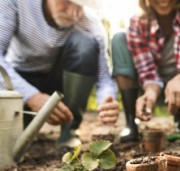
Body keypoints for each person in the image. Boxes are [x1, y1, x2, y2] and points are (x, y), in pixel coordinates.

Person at [0, 0, 119, 149]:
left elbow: (104, 78)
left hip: (60, 83)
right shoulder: (16, 3)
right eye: (68, 2)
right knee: (9, 141)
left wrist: (106, 99)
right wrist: (31, 96)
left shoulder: (91, 23)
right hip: (21, 80)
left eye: (80, 6)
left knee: (85, 43)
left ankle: (69, 132)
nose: (73, 13)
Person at [111, 0, 180, 143]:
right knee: (119, 38)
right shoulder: (137, 22)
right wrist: (151, 93)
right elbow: (147, 72)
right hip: (155, 89)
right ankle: (131, 122)